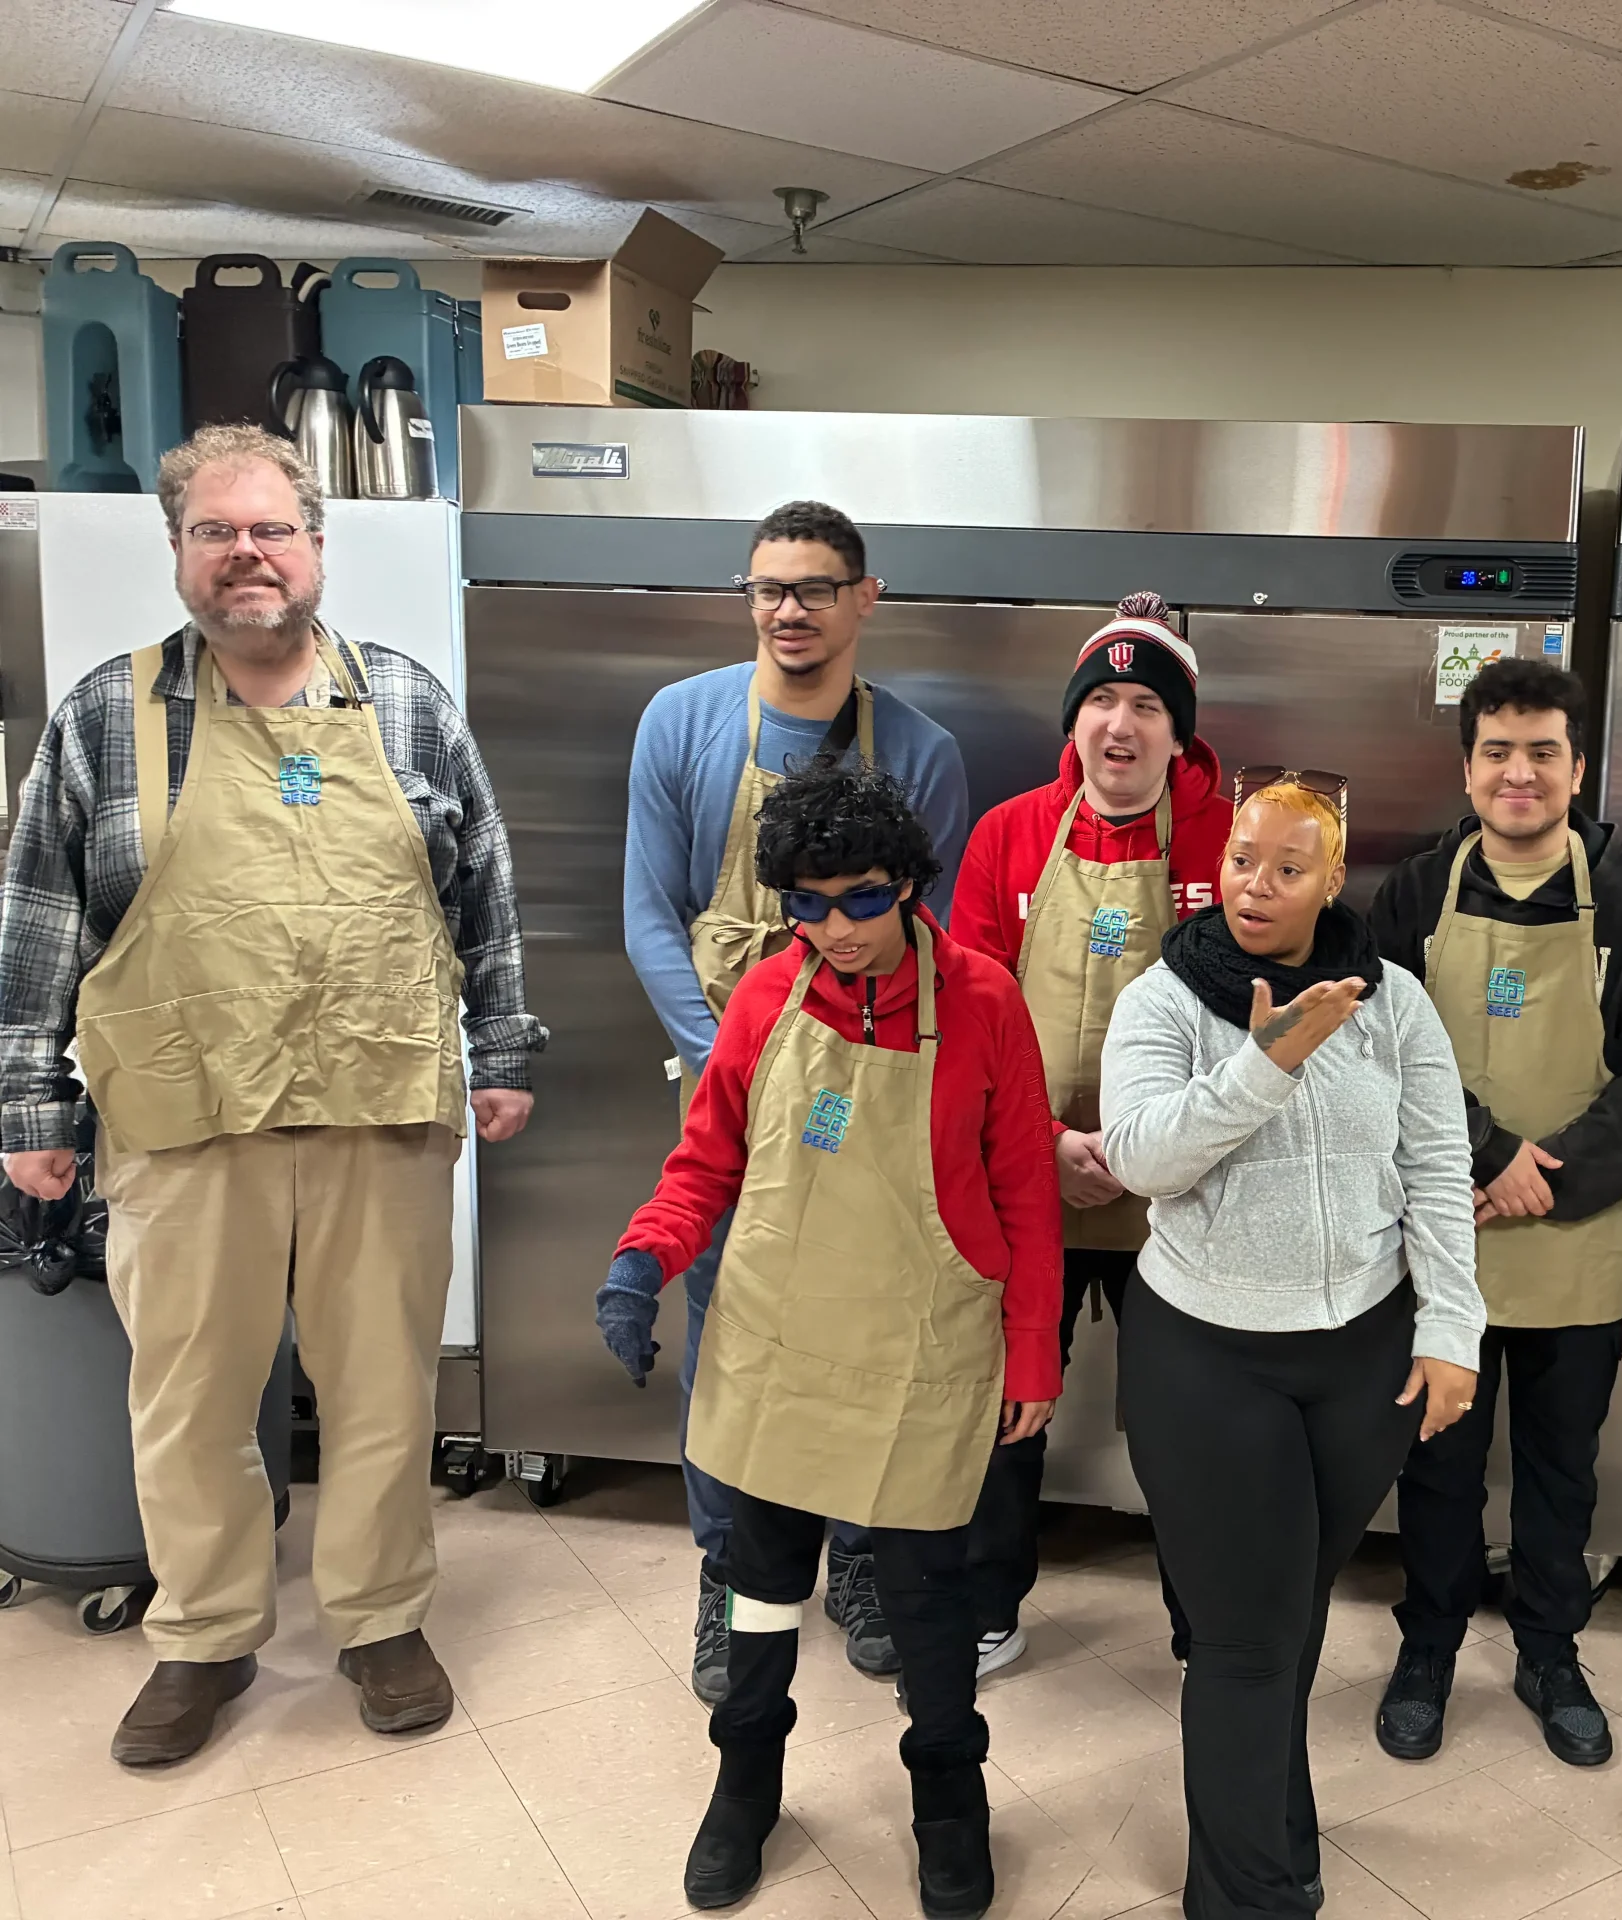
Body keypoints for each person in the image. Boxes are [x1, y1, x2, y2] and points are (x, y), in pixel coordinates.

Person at [0, 425, 544, 1765]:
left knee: (380, 1391)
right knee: (188, 1403)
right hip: (185, 1122)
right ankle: (204, 1637)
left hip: (381, 1107)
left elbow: (485, 888)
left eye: (273, 530)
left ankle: (377, 1620)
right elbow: (38, 916)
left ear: (315, 547)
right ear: (180, 552)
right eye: (217, 531)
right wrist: (28, 1111)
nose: (249, 554)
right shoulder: (104, 717)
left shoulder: (406, 701)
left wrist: (506, 1047)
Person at [594, 759, 1061, 1914]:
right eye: (807, 903)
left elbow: (1025, 1194)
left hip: (924, 1351)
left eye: (859, 898)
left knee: (926, 1597)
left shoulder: (985, 1001)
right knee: (758, 1585)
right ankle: (745, 1782)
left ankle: (950, 1797)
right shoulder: (763, 997)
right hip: (776, 1347)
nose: (836, 928)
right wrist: (640, 1259)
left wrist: (1036, 1349)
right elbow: (707, 1162)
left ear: (907, 883)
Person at [1100, 770, 1483, 1920]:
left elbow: (1432, 1172)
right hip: (1207, 1357)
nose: (1253, 885)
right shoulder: (1162, 1001)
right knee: (1246, 1642)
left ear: (1330, 879)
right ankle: (1249, 1897)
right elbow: (1142, 1161)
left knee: (1287, 1618)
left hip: (1360, 1358)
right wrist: (1267, 1062)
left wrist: (1452, 1325)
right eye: (1238, 861)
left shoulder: (1395, 1001)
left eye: (1284, 866)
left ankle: (1276, 1827)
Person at [623, 498, 971, 1702]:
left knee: (876, 1329)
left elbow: (933, 946)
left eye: (816, 588)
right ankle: (729, 1581)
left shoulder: (920, 752)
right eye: (770, 587)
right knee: (736, 1345)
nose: (790, 610)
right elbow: (649, 915)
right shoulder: (682, 724)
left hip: (882, 1102)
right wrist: (740, 1060)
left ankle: (863, 1559)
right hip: (731, 1097)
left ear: (863, 600)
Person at [1367, 657, 1622, 1767]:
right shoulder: (1414, 896)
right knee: (1437, 1464)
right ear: (1466, 768)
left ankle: (1550, 1649)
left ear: (1577, 767)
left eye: (1541, 752)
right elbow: (1380, 1051)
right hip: (1440, 1238)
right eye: (1498, 751)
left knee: (1563, 1468)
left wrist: (1542, 1177)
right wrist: (1492, 1152)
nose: (1520, 773)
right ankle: (1427, 1644)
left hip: (1578, 1245)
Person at [945, 591, 1226, 1672]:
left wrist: (1153, 1152)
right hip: (1029, 1176)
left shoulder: (1224, 838)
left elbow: (1248, 1020)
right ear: (1072, 722)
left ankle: (1204, 1621)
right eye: (1101, 700)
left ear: (1179, 728)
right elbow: (970, 1021)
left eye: (1146, 704)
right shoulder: (1008, 836)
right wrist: (1043, 1145)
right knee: (1010, 1402)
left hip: (1180, 1194)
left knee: (1188, 1420)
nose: (1121, 725)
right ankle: (986, 1602)